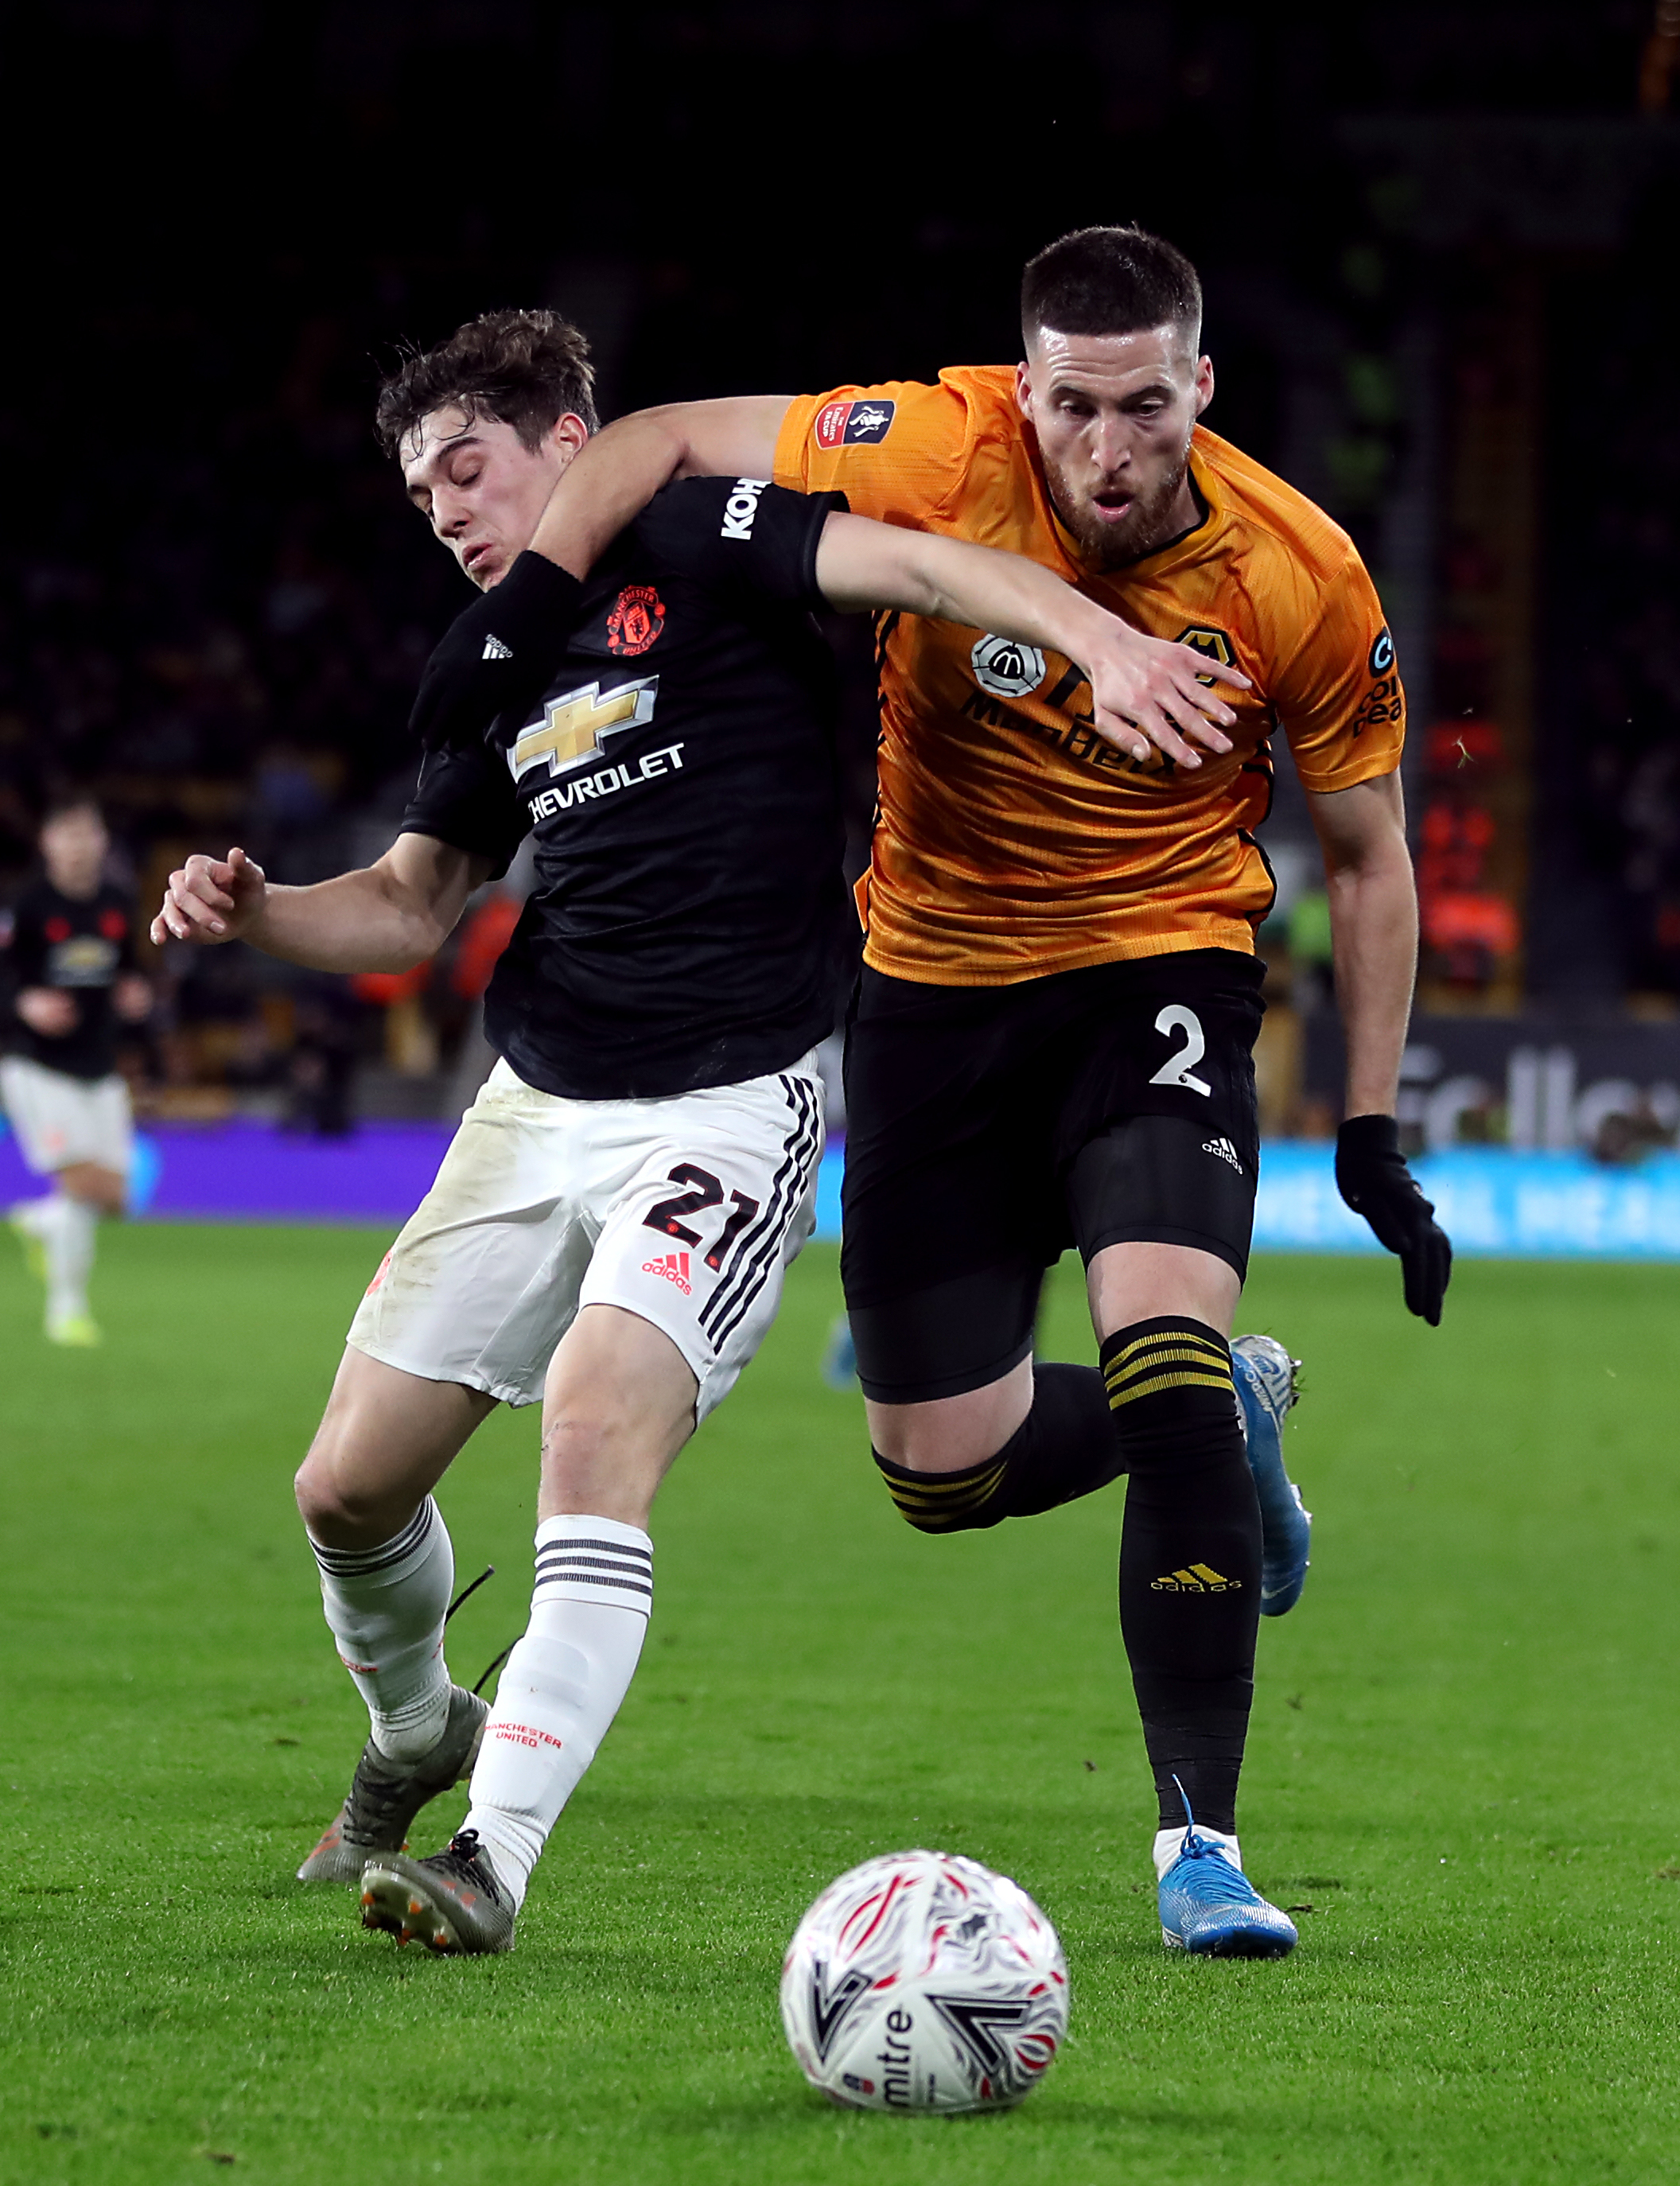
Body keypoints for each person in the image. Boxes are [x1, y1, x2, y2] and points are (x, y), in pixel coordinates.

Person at [152, 307, 1245, 1958]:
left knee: (591, 1432)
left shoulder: (697, 534)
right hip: (535, 1106)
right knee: (343, 1493)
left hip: (733, 1101)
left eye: (467, 470)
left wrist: (1095, 641)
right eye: (420, 496)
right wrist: (254, 915)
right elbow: (408, 903)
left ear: (564, 439)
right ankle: (413, 1731)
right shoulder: (496, 667)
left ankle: (487, 1856)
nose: (446, 513)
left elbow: (932, 574)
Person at [414, 229, 1453, 1960]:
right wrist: (527, 607)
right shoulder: (926, 443)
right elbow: (653, 436)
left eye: (1143, 407)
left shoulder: (1303, 569)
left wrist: (1371, 1127)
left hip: (1160, 974)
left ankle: (1201, 1840)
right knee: (936, 1467)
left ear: (1200, 387)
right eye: (1071, 406)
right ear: (1022, 386)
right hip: (932, 994)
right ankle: (1227, 1418)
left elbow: (1373, 850)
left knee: (1164, 1343)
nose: (1107, 449)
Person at [2, 795, 151, 1345]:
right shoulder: (28, 904)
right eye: (66, 834)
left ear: (102, 841)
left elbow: (129, 971)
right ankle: (65, 1310)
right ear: (47, 843)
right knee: (84, 1184)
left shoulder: (116, 901)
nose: (78, 845)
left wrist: (135, 996)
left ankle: (39, 1220)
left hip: (101, 1067)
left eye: (87, 833)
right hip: (40, 1067)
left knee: (115, 1199)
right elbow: (6, 979)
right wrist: (24, 1005)